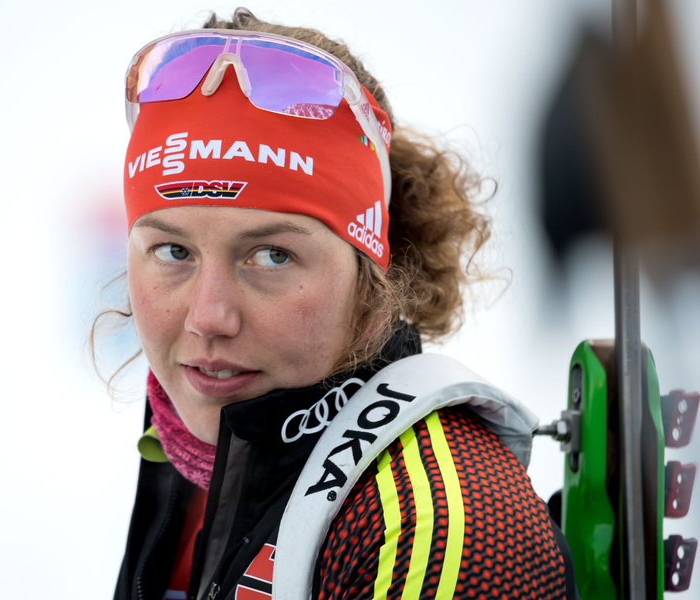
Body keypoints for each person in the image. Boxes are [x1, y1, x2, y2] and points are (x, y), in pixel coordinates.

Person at [100, 8, 579, 600]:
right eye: (173, 250)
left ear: (372, 276)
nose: (208, 318)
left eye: (271, 256)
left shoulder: (432, 528)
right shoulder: (207, 439)